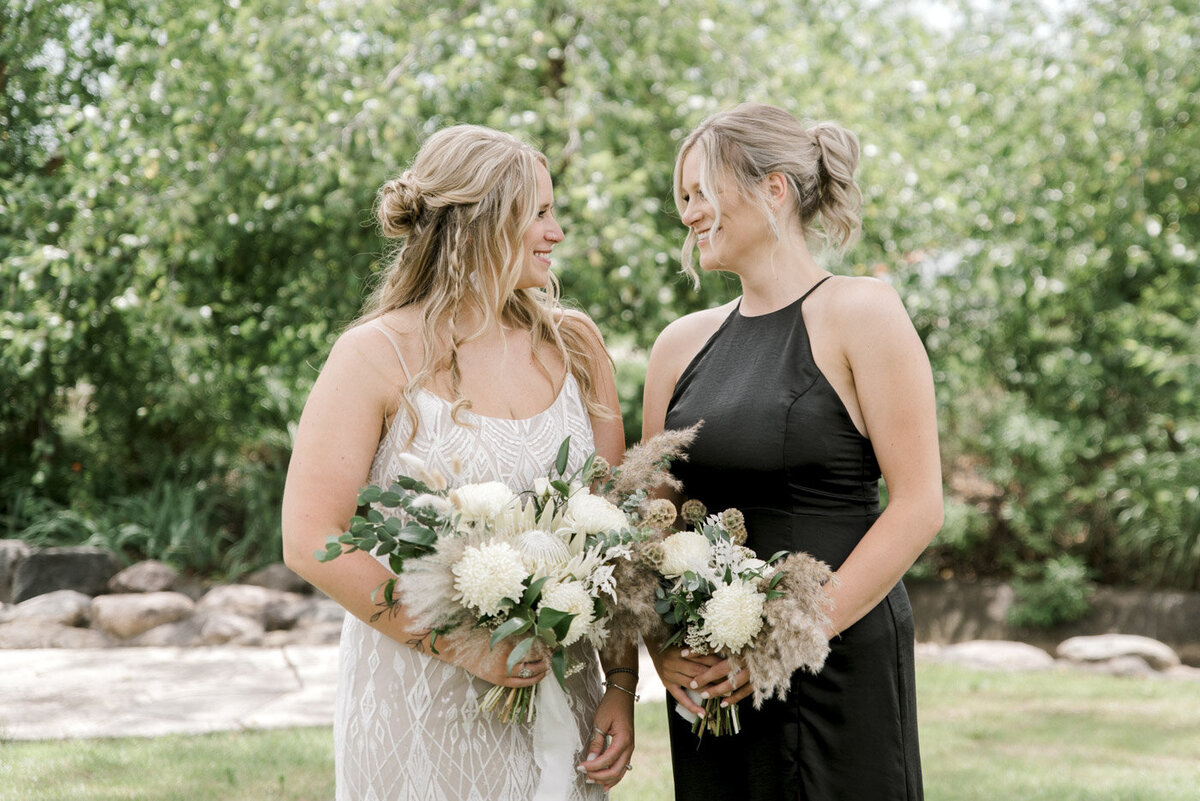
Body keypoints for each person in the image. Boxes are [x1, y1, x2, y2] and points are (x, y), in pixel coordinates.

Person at [281, 124, 636, 800]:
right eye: (539, 212)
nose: (557, 231)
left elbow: (609, 537)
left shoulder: (578, 348)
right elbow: (310, 539)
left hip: (567, 694)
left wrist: (621, 681)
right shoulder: (373, 354)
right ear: (481, 220)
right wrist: (458, 644)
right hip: (419, 700)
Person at [642, 102, 943, 800]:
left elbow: (920, 505)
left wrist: (786, 636)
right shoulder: (678, 345)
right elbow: (654, 521)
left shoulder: (861, 312)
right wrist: (661, 647)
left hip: (839, 657)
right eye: (682, 197)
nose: (688, 213)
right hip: (713, 674)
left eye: (702, 192)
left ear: (774, 189)